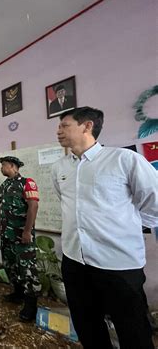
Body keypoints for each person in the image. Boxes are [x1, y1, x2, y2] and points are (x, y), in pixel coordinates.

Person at [52, 106, 157, 349]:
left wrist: (123, 227)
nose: (58, 131)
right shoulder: (60, 168)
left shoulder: (124, 160)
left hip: (118, 264)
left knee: (133, 331)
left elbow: (154, 204)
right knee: (87, 326)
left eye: (64, 125)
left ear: (87, 126)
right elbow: (69, 205)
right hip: (75, 261)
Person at [0, 156, 41, 321]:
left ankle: (30, 306)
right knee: (10, 266)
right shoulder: (4, 185)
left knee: (28, 270)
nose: (1, 168)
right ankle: (17, 294)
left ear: (13, 166)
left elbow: (33, 206)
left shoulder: (27, 182)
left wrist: (27, 231)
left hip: (22, 237)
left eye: (4, 165)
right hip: (7, 235)